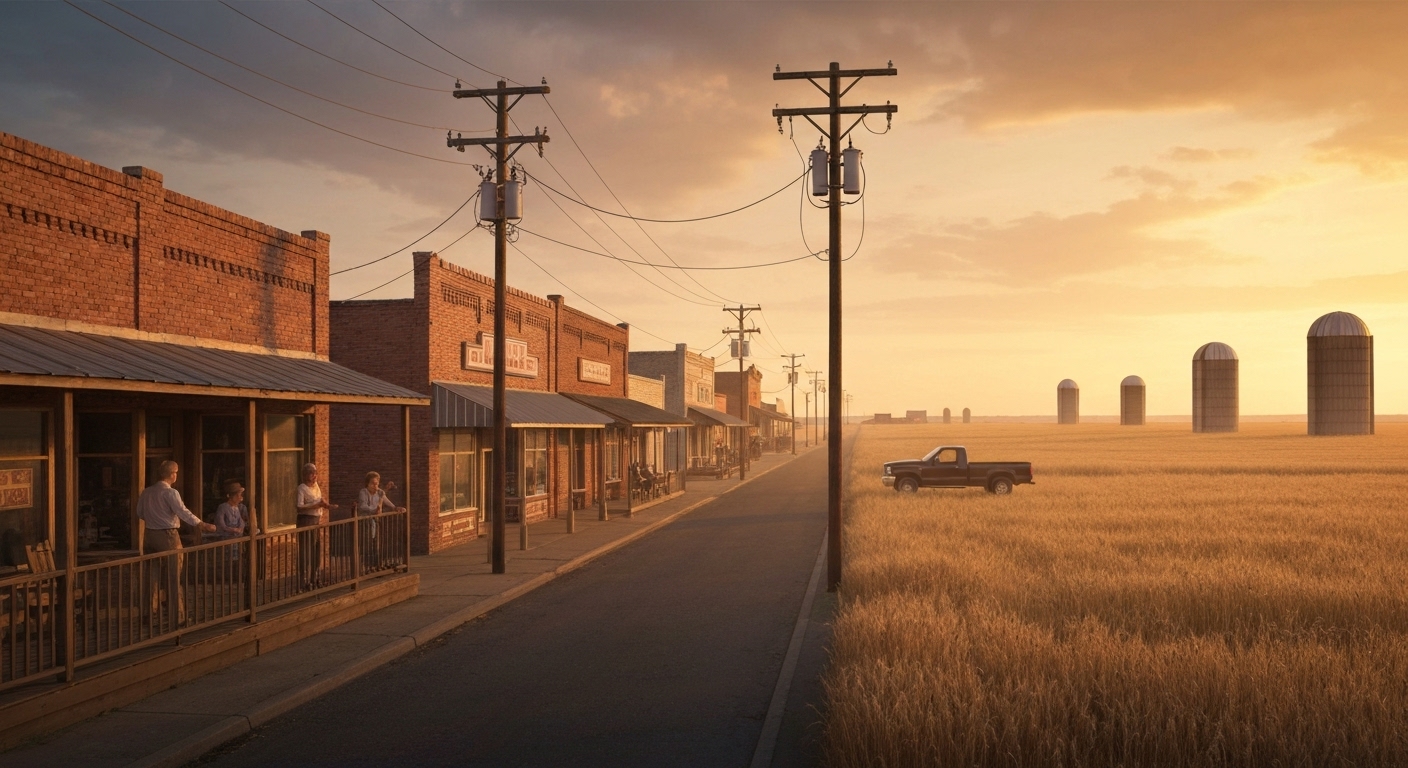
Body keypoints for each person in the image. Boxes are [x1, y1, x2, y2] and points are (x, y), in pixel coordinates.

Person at [136, 461, 216, 625]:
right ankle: (177, 616)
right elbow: (183, 512)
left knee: (151, 576)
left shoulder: (147, 492)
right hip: (168, 535)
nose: (176, 475)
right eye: (176, 472)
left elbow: (140, 513)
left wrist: (154, 519)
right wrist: (202, 524)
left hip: (149, 535)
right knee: (173, 577)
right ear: (172, 474)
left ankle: (148, 614)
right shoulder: (170, 493)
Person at [296, 463, 337, 589]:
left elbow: (320, 500)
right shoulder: (302, 488)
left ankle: (315, 578)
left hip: (316, 520)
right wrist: (315, 506)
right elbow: (299, 506)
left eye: (315, 473)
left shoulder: (316, 486)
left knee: (316, 549)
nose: (314, 476)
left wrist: (327, 505)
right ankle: (304, 580)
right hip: (306, 520)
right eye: (311, 474)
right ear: (305, 475)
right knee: (306, 550)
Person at [356, 472, 404, 573]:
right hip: (365, 520)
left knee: (376, 542)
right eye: (372, 484)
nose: (375, 486)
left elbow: (386, 501)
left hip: (376, 520)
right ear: (367, 484)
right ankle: (364, 566)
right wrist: (374, 510)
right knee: (366, 542)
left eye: (376, 483)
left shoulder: (380, 492)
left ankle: (375, 565)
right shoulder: (363, 492)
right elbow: (362, 506)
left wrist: (395, 508)